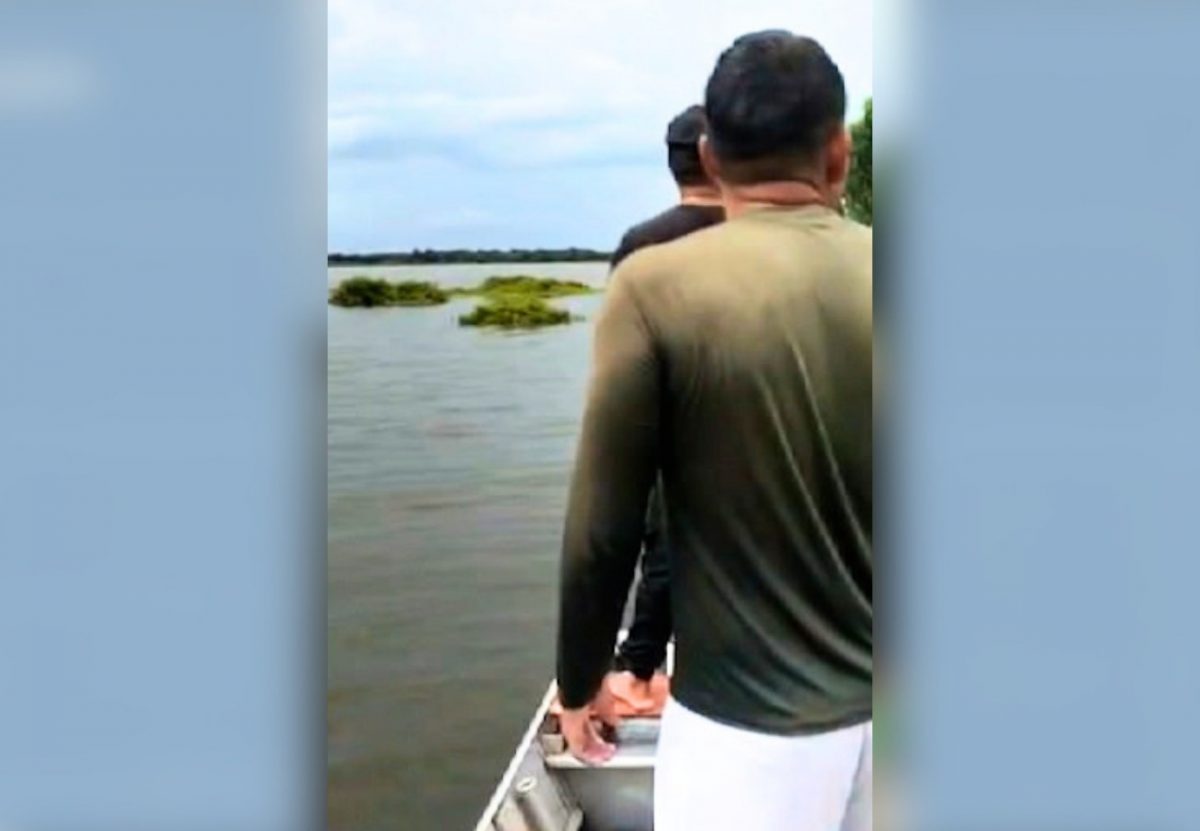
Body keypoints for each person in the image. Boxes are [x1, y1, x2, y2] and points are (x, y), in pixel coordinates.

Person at [555, 29, 873, 831]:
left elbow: (602, 532)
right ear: (839, 154)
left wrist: (581, 679)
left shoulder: (652, 286)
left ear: (711, 156)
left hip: (747, 734)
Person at [608, 105, 725, 706]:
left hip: (669, 424)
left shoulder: (641, 244)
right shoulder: (753, 238)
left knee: (665, 550)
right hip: (763, 423)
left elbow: (622, 357)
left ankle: (638, 673)